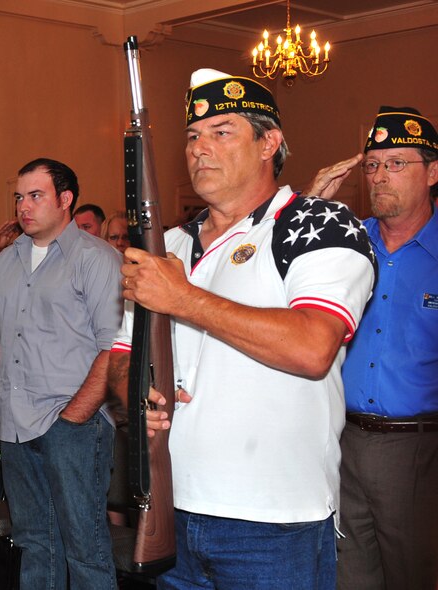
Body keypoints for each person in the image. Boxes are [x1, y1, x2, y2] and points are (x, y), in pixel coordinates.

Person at [111, 69, 376, 589]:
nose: (199, 149)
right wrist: (133, 392)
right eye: (192, 136)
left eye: (222, 131)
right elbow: (121, 355)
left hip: (275, 521)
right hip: (173, 508)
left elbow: (312, 346)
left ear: (269, 142)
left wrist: (184, 298)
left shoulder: (318, 225)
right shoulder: (167, 246)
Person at [0, 158, 123, 589]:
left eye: (35, 195)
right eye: (19, 197)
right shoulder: (6, 262)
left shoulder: (96, 259)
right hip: (16, 424)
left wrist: (73, 419)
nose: (24, 206)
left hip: (73, 424)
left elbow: (113, 349)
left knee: (85, 547)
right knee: (35, 544)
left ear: (65, 200)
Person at [306, 106, 438, 590]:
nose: (380, 176)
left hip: (419, 446)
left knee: (415, 574)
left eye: (397, 163)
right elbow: (271, 283)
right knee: (349, 576)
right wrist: (309, 205)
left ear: (434, 172)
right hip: (342, 439)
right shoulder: (345, 243)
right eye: (373, 164)